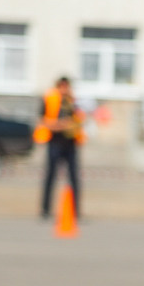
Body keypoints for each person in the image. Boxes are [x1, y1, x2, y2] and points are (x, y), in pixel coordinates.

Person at [35, 76, 83, 222]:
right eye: (61, 86)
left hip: (70, 143)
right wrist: (61, 125)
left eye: (66, 86)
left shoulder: (73, 102)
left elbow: (79, 120)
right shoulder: (50, 99)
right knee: (50, 176)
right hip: (55, 142)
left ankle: (75, 211)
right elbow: (43, 121)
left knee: (74, 177)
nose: (64, 89)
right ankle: (45, 210)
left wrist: (75, 123)